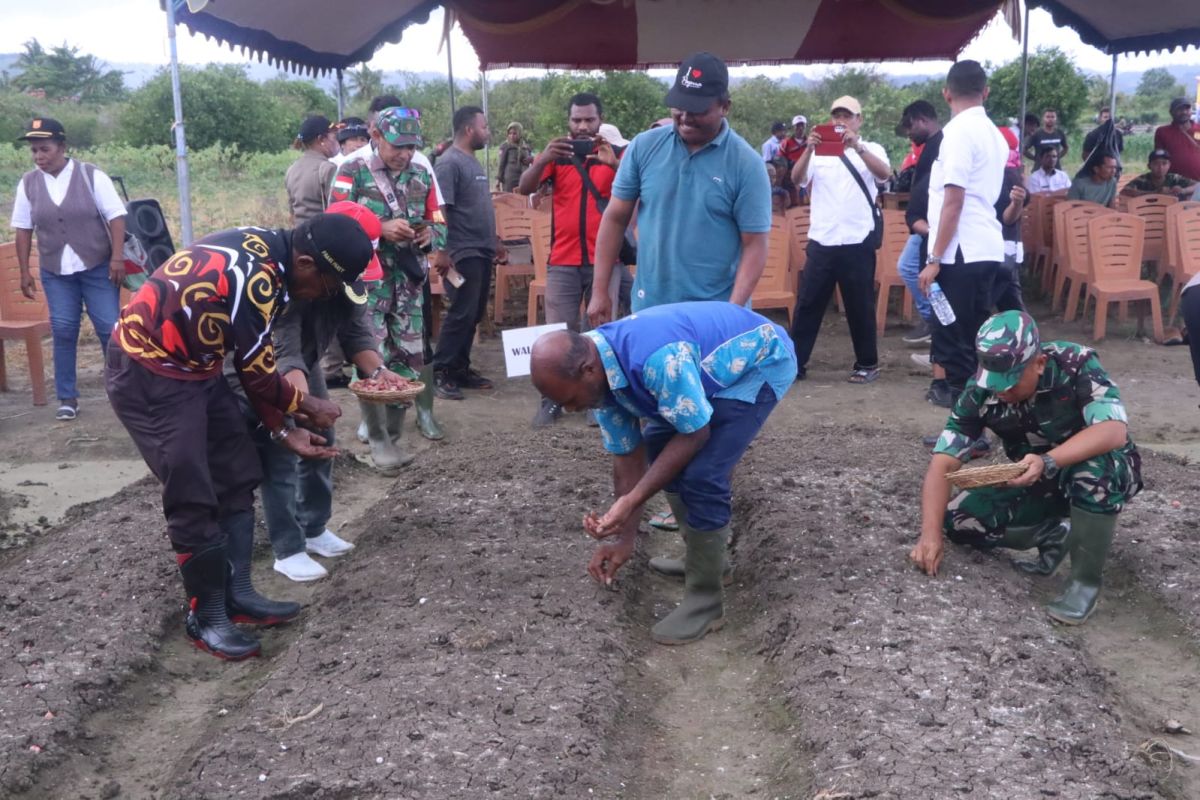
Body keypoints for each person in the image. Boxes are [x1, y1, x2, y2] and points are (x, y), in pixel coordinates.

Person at [106, 213, 374, 660]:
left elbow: (258, 364)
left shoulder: (275, 252)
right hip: (149, 371)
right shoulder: (259, 279)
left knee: (236, 471)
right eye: (328, 283)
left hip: (198, 367)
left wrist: (282, 428)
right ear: (307, 263)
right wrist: (308, 408)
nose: (326, 294)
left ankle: (238, 593)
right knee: (193, 491)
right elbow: (260, 375)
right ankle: (207, 617)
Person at [529, 302, 796, 644]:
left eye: (569, 399)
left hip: (757, 362)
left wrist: (634, 500)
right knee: (658, 447)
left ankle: (705, 600)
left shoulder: (656, 360)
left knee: (703, 475)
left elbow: (695, 433)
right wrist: (623, 540)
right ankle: (708, 562)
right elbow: (627, 457)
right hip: (703, 370)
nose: (569, 409)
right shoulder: (600, 377)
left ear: (587, 371)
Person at [910, 311, 1142, 626]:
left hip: (1106, 468)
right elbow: (943, 462)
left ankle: (1084, 585)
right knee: (958, 520)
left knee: (1091, 471)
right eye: (994, 383)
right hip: (1035, 476)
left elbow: (1113, 431)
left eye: (1010, 382)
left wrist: (1049, 460)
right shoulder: (981, 390)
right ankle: (1054, 534)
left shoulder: (1075, 363)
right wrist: (930, 535)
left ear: (1039, 364)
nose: (1001, 392)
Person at [231, 201, 390, 582]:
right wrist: (299, 405)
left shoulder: (344, 274)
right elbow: (281, 347)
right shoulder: (286, 277)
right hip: (259, 365)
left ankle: (315, 528)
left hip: (306, 361)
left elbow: (356, 330)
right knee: (282, 450)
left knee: (323, 440)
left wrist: (382, 373)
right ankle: (288, 549)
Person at [586, 51, 771, 328]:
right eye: (679, 106)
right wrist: (600, 291)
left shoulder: (746, 164)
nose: (684, 117)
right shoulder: (644, 147)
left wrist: (733, 314)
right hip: (650, 309)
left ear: (725, 106)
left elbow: (754, 245)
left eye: (697, 110)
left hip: (714, 316)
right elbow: (615, 218)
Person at [329, 107, 447, 463]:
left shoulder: (422, 175)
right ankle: (378, 440)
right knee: (371, 358)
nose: (406, 153)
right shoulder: (351, 171)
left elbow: (439, 222)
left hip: (408, 286)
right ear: (376, 138)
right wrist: (379, 229)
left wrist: (430, 235)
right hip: (367, 286)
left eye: (412, 146)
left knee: (408, 359)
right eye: (398, 145)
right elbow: (334, 224)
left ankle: (394, 438)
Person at [517, 92, 623, 427]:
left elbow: (643, 193)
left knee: (603, 332)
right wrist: (541, 159)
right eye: (576, 119)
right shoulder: (557, 155)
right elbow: (524, 188)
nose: (582, 126)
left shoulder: (617, 154)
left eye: (589, 119)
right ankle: (552, 399)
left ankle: (598, 399)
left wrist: (614, 165)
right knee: (557, 333)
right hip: (562, 258)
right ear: (568, 121)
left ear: (600, 120)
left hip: (605, 259)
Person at [11, 117, 126, 422]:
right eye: (34, 151)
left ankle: (122, 392)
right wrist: (25, 271)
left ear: (62, 146)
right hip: (55, 270)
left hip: (97, 266)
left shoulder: (91, 176)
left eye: (44, 149)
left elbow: (116, 217)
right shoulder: (28, 183)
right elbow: (23, 229)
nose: (39, 156)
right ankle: (67, 397)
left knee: (110, 329)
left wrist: (117, 259)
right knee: (63, 330)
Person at [918, 60, 1007, 401]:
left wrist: (934, 257)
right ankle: (977, 425)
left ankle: (966, 430)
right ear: (985, 92)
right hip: (985, 247)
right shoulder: (995, 136)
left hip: (960, 252)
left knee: (954, 342)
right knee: (975, 340)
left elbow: (953, 200)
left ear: (946, 94)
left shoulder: (956, 133)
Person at [790, 94, 891, 384]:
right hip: (822, 239)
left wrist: (856, 146)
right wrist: (808, 150)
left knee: (860, 305)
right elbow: (797, 180)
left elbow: (884, 174)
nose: (841, 121)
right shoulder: (818, 152)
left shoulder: (871, 148)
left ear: (859, 120)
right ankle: (795, 363)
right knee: (808, 304)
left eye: (847, 116)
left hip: (857, 239)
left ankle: (867, 364)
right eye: (837, 116)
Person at [432, 105, 504, 400]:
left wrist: (495, 239)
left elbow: (479, 207)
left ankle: (460, 368)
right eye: (485, 127)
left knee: (473, 312)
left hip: (481, 249)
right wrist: (443, 250)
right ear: (469, 130)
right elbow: (440, 209)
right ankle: (442, 371)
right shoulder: (449, 163)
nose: (488, 132)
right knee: (461, 312)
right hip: (462, 251)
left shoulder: (471, 161)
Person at [896, 100, 942, 355]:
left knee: (909, 266)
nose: (909, 133)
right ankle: (931, 318)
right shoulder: (928, 147)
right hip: (923, 225)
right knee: (908, 266)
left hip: (933, 226)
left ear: (923, 120)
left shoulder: (942, 144)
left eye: (911, 126)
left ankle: (933, 319)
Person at [992, 126, 1029, 313]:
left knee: (1010, 304)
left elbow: (1008, 219)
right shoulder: (1003, 171)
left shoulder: (1007, 175)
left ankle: (1026, 338)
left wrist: (1016, 203)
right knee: (1009, 302)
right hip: (1001, 246)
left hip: (1002, 247)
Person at [284, 114, 338, 224]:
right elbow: (338, 212)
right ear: (321, 139)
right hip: (322, 235)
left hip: (299, 236)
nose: (336, 142)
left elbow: (292, 214)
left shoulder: (291, 169)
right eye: (334, 137)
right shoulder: (328, 168)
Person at [1120, 149, 1198, 199]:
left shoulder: (1174, 178)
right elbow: (1124, 191)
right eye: (1156, 164)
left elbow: (1197, 185)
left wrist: (1183, 190)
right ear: (1149, 166)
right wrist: (1155, 193)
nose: (1160, 168)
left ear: (1169, 165)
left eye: (1164, 164)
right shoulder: (1142, 180)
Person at [1153, 98, 1200, 181]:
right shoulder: (1162, 132)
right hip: (1173, 184)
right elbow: (1158, 159)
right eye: (1180, 109)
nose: (1184, 112)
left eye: (1187, 109)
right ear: (1171, 112)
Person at [496, 121, 532, 193]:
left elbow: (530, 163)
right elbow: (502, 164)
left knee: (523, 200)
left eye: (514, 133)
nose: (512, 136)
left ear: (520, 133)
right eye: (510, 133)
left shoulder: (526, 147)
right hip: (510, 180)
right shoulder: (505, 146)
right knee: (510, 201)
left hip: (523, 179)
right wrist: (498, 180)